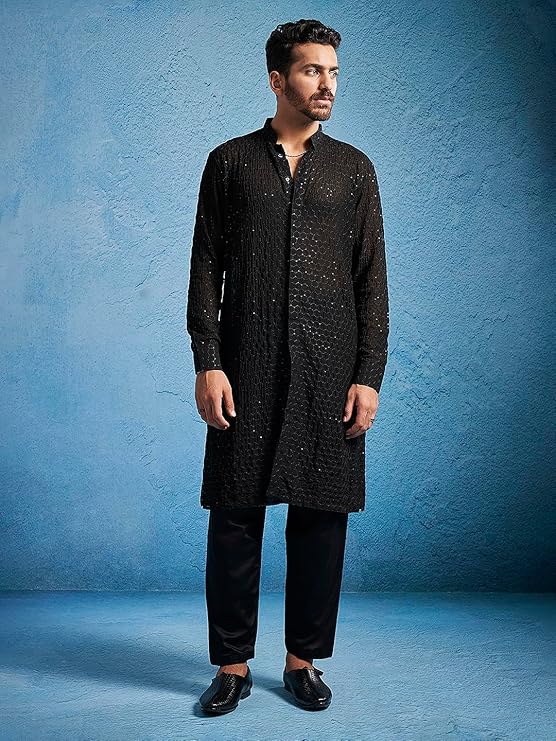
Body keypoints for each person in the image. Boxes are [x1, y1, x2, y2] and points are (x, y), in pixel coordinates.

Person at [186, 18, 389, 713]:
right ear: (277, 79)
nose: (327, 84)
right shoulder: (229, 163)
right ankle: (232, 666)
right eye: (312, 70)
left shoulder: (354, 169)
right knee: (234, 516)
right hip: (244, 364)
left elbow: (372, 280)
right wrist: (208, 360)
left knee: (321, 518)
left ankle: (303, 662)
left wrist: (368, 374)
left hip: (330, 370)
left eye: (333, 71)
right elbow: (205, 267)